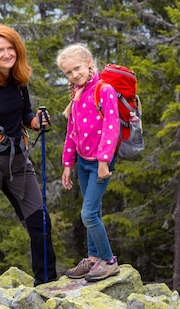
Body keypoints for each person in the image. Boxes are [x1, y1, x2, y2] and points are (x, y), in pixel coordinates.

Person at [0, 23, 57, 285]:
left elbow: (25, 115)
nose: (7, 54)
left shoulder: (18, 80)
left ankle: (46, 284)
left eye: (10, 48)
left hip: (17, 161)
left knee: (40, 222)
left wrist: (37, 121)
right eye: (0, 49)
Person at [56, 43, 120, 282]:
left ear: (89, 63)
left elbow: (111, 129)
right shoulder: (76, 94)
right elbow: (72, 131)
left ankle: (109, 261)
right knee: (94, 210)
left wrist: (104, 161)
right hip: (83, 162)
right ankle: (94, 259)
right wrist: (67, 164)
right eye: (69, 72)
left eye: (77, 69)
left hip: (99, 163)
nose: (74, 75)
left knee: (89, 214)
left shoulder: (104, 90)